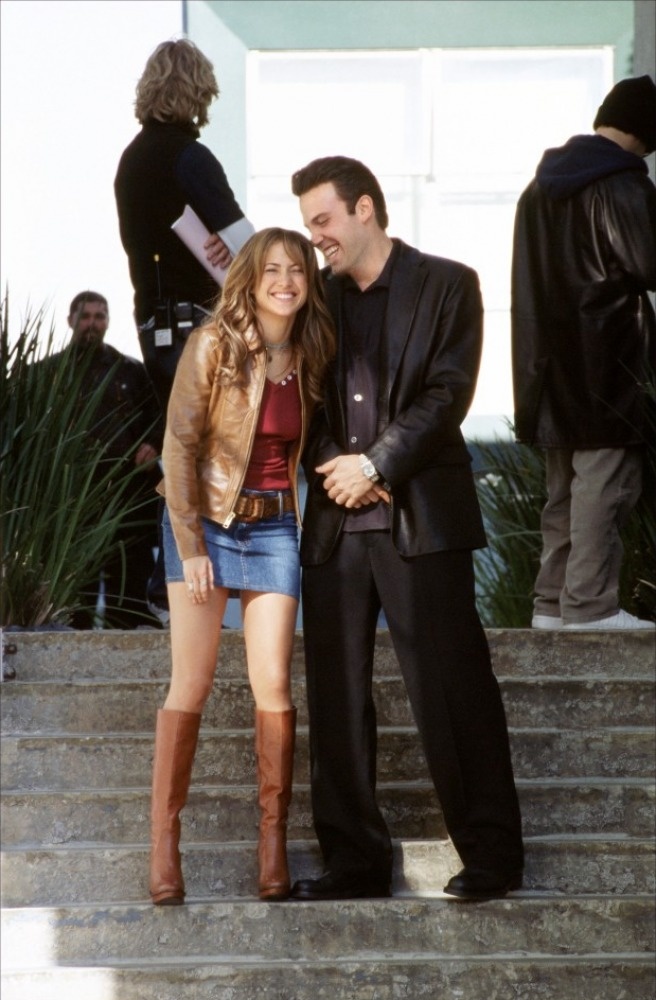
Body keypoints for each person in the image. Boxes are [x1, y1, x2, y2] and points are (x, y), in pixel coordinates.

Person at [288, 156, 524, 902]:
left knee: (454, 688)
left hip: (421, 517)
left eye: (323, 220)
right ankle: (355, 862)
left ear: (364, 208)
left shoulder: (449, 284)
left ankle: (492, 856)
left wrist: (376, 465)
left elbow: (448, 394)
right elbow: (301, 399)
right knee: (335, 698)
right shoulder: (313, 300)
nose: (314, 236)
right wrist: (337, 464)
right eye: (308, 224)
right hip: (335, 523)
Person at [148, 228, 335, 905]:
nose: (286, 281)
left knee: (274, 684)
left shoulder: (313, 349)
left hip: (276, 527)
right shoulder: (213, 344)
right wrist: (191, 545)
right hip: (206, 523)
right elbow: (178, 446)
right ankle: (164, 848)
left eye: (297, 270)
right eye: (273, 270)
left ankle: (272, 844)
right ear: (251, 279)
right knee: (192, 682)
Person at [114, 38, 255, 621]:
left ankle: (170, 578)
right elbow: (248, 245)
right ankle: (178, 577)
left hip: (153, 324)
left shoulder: (130, 161)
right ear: (198, 89)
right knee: (215, 447)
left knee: (183, 445)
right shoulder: (190, 157)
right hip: (196, 321)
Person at [511, 75, 656, 631]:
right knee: (605, 487)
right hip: (608, 365)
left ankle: (552, 605)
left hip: (549, 371)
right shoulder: (622, 183)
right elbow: (649, 262)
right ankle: (590, 608)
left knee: (563, 493)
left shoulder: (539, 188)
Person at [64, 292, 162, 629]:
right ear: (71, 321)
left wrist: (153, 444)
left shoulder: (131, 371)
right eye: (85, 316)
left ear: (107, 321)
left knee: (129, 582)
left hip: (127, 490)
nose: (92, 323)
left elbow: (158, 414)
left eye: (99, 316)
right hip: (73, 495)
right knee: (76, 588)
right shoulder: (51, 372)